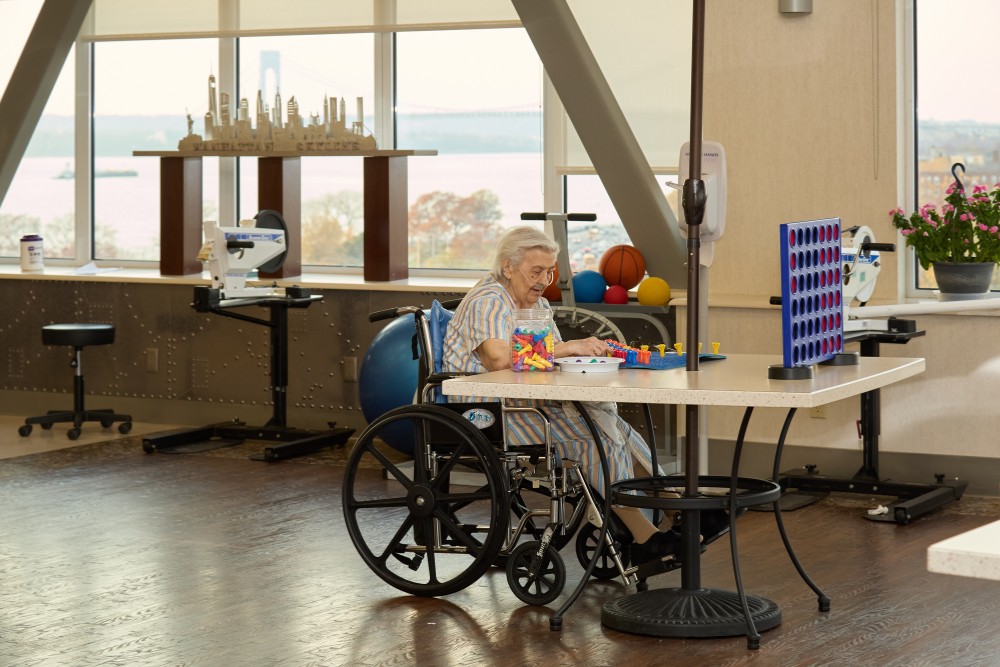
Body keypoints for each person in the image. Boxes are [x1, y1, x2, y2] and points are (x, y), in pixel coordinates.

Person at [442, 226, 731, 566]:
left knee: (617, 428)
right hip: (487, 412)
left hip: (527, 402)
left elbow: (547, 358)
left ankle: (677, 512)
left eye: (549, 271)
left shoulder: (537, 307)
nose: (543, 280)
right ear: (507, 267)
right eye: (536, 271)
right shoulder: (487, 301)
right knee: (593, 439)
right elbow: (498, 359)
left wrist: (589, 359)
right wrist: (570, 347)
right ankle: (643, 537)